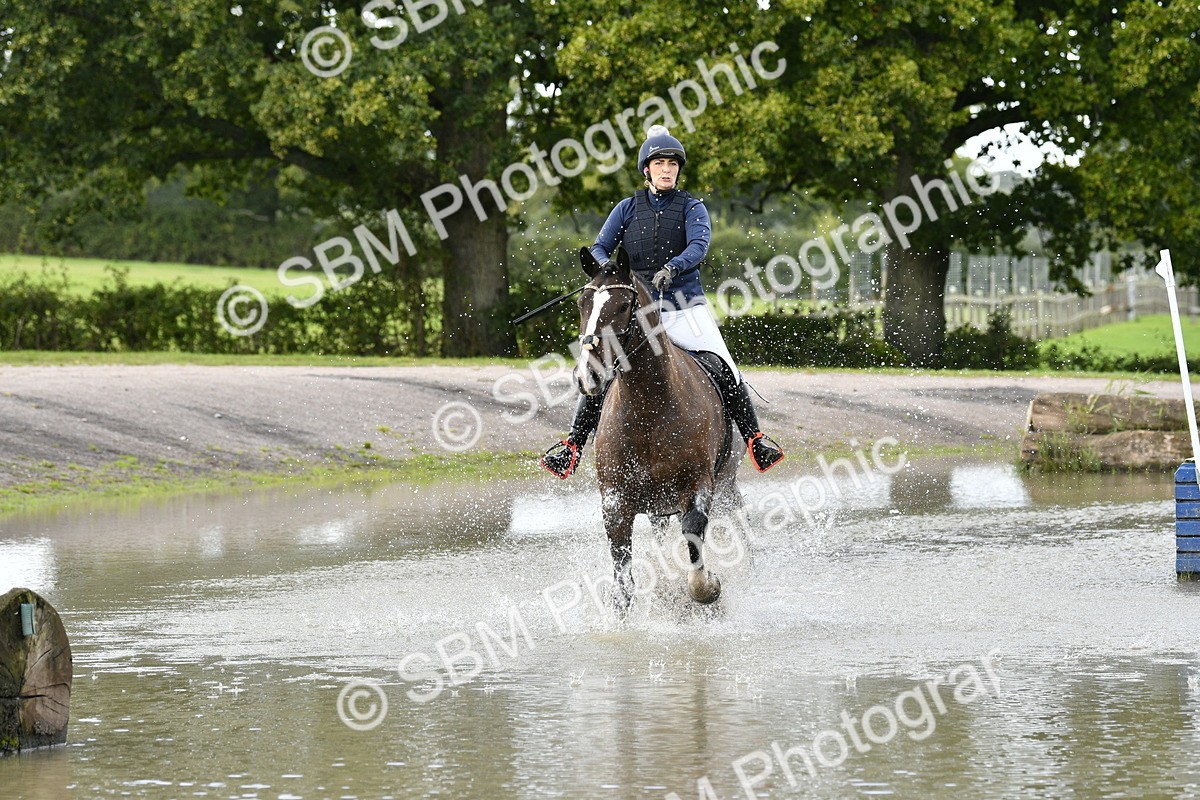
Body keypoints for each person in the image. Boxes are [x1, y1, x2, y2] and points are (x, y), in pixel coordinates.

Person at [540, 125, 785, 479]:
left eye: (672, 164)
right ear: (647, 170)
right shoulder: (626, 208)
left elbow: (698, 246)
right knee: (600, 366)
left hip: (685, 307)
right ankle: (573, 445)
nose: (666, 170)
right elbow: (599, 247)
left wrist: (674, 267)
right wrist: (608, 269)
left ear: (678, 170)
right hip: (637, 315)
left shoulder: (692, 208)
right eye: (659, 164)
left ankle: (755, 439)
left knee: (726, 368)